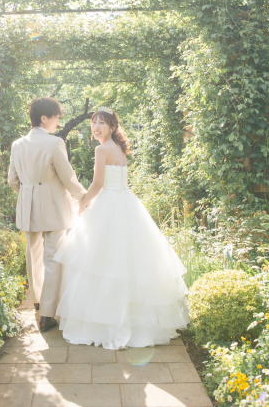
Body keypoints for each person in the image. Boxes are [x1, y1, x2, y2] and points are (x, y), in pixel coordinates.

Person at [54, 107, 190, 349]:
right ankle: (134, 322)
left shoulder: (101, 149)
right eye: (94, 122)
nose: (96, 127)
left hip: (109, 203)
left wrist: (82, 204)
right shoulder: (118, 148)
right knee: (128, 261)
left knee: (103, 262)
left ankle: (105, 324)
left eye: (102, 123)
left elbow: (97, 184)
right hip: (126, 202)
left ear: (112, 127)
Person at [8, 97, 87, 332]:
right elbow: (68, 177)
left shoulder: (17, 144)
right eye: (56, 117)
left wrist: (28, 193)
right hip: (53, 207)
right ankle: (48, 315)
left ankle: (37, 302)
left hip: (28, 206)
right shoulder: (54, 143)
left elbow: (12, 180)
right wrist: (84, 197)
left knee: (33, 257)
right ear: (44, 118)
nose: (57, 121)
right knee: (53, 258)